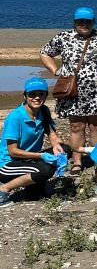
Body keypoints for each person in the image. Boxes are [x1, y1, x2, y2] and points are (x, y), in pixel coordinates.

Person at [40, 7, 97, 174]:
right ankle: (77, 163)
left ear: (93, 22)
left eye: (88, 21)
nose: (84, 24)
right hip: (73, 93)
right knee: (76, 127)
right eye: (80, 21)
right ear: (74, 22)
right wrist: (56, 71)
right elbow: (45, 53)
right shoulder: (64, 37)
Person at [0, 78, 66, 207]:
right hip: (8, 164)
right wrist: (41, 156)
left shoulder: (44, 111)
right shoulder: (16, 117)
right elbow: (13, 151)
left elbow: (51, 132)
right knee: (46, 169)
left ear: (46, 95)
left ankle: (33, 188)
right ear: (25, 96)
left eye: (41, 94)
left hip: (28, 159)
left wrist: (56, 145)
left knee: (65, 149)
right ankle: (3, 190)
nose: (37, 98)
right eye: (32, 94)